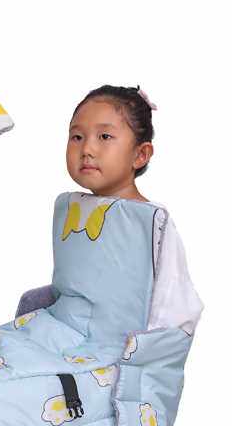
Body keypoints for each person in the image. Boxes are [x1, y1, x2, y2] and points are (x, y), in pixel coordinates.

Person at [65, 84, 202, 331]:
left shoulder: (150, 223)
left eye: (104, 137)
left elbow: (176, 302)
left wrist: (144, 346)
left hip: (123, 338)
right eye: (77, 137)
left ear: (140, 155)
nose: (87, 149)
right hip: (71, 327)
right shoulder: (74, 209)